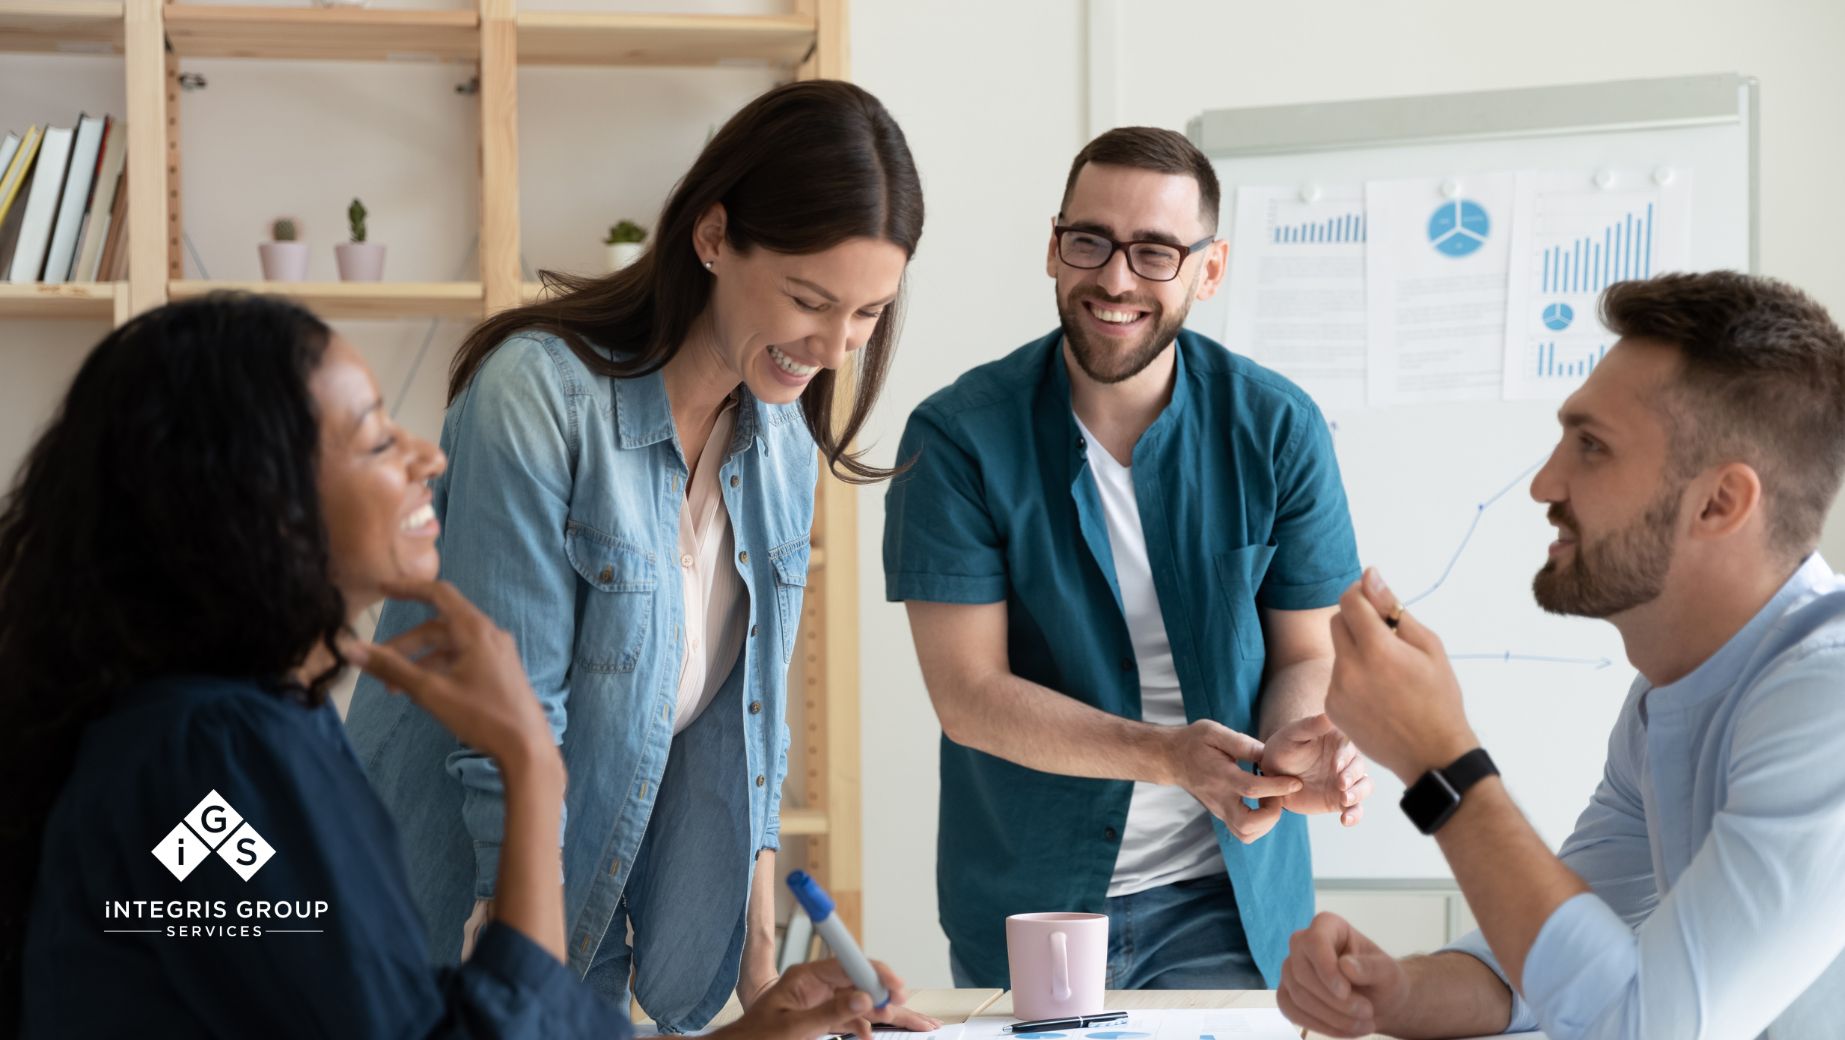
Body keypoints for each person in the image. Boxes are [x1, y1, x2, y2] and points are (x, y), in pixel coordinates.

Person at [1, 293, 912, 1039]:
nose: (426, 458)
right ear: (257, 506)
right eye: (374, 440)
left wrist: (753, 1036)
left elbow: (415, 1022)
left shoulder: (265, 729)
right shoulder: (199, 782)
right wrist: (528, 768)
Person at [343, 80, 933, 1031]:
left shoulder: (779, 438)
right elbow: (510, 723)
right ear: (711, 237)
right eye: (807, 300)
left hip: (591, 916)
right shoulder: (539, 399)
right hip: (450, 918)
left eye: (867, 314)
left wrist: (759, 966)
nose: (832, 347)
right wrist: (515, 976)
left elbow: (753, 723)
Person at [1277, 272, 1845, 1040]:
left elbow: (1642, 1026)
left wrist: (1439, 760)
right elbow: (1560, 959)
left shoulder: (1828, 697)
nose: (1545, 482)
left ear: (1718, 503)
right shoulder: (1665, 700)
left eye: (1591, 447)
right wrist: (1400, 994)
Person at [883, 126, 1371, 991]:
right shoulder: (957, 437)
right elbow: (969, 698)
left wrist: (1287, 752)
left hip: (1224, 895)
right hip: (1029, 902)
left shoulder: (1277, 428)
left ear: (1207, 272)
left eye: (1154, 252)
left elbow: (1307, 651)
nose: (1114, 278)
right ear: (1052, 247)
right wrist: (1169, 756)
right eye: (1089, 242)